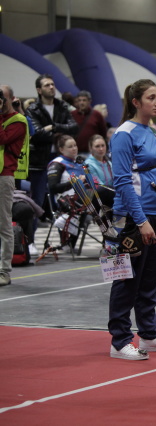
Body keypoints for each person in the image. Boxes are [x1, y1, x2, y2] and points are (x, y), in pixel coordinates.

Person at [108, 79, 156, 361]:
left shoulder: (150, 129)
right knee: (127, 278)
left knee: (150, 279)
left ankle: (149, 335)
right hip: (131, 217)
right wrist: (141, 221)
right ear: (135, 102)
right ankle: (119, 341)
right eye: (151, 97)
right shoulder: (124, 134)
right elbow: (123, 182)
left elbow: (151, 174)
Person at [26, 74, 78, 235]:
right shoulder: (33, 109)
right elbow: (37, 134)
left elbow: (74, 128)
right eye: (47, 85)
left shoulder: (62, 106)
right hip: (41, 160)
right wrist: (58, 132)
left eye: (52, 84)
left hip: (62, 160)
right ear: (39, 90)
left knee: (70, 200)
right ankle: (30, 241)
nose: (51, 87)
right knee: (37, 201)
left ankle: (66, 240)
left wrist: (52, 126)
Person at [0, 84, 29, 286]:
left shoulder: (18, 121)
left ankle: (4, 271)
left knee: (4, 224)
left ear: (9, 99)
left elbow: (2, 138)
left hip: (4, 176)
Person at [71, 90, 107, 155]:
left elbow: (103, 133)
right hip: (75, 152)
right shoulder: (72, 115)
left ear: (89, 101)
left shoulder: (97, 115)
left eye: (84, 100)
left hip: (93, 153)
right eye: (79, 100)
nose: (81, 103)